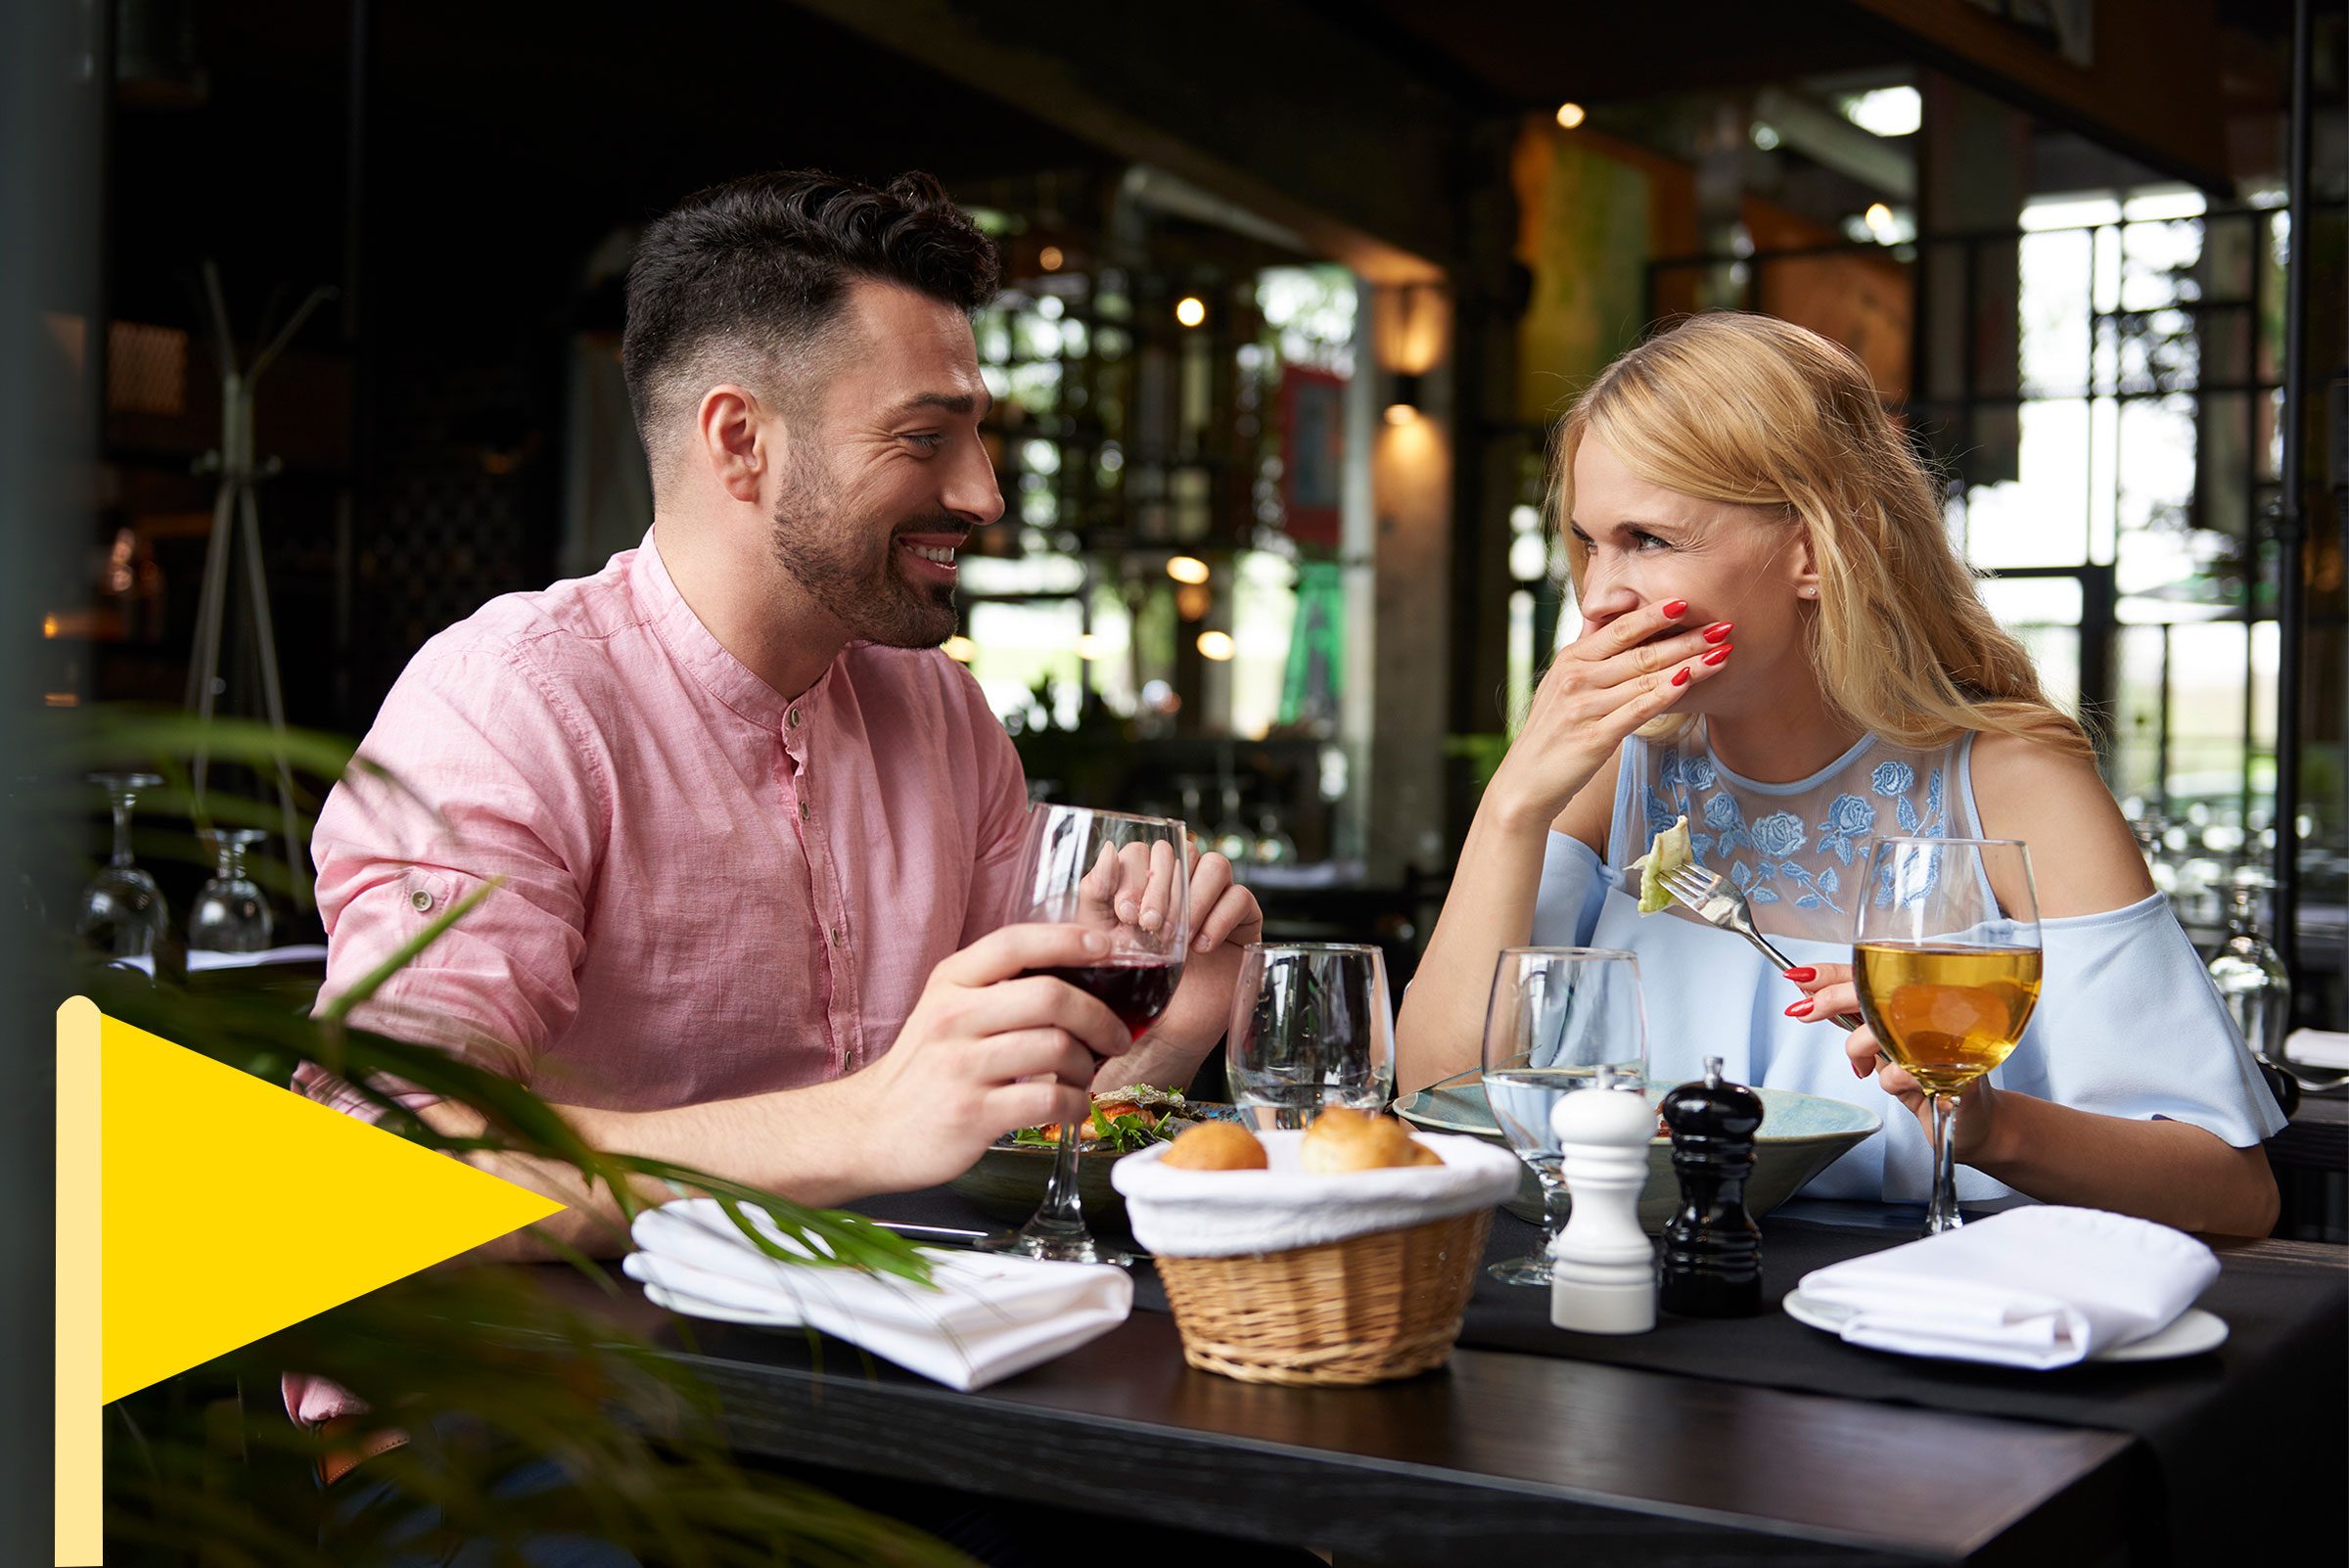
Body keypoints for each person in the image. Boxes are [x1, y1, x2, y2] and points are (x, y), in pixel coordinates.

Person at [1395, 312, 2281, 1237]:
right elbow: (1436, 1098)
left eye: (1648, 540)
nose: (1598, 594)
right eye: (1589, 543)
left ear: (1816, 549)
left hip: (1936, 1328)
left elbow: (2231, 1192)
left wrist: (1986, 1124)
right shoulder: (1614, 769)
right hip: (1633, 1312)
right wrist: (1513, 804)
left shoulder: (2015, 784)